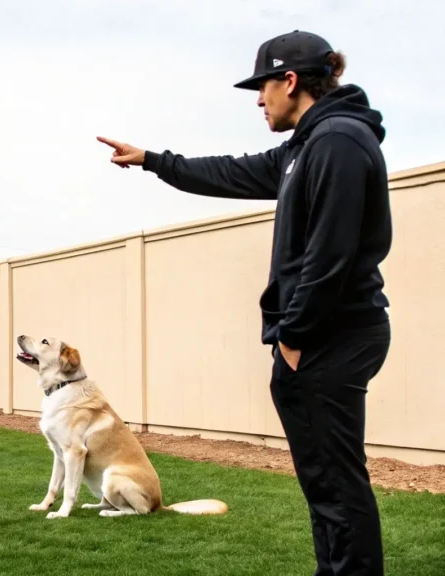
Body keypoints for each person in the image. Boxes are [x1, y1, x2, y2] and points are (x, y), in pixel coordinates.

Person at [98, 30, 392, 576]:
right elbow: (232, 172)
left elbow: (332, 253)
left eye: (263, 87)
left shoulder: (339, 143)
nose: (259, 100)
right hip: (321, 337)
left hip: (332, 336)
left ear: (291, 80)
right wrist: (154, 160)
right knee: (323, 482)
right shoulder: (305, 149)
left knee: (337, 482)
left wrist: (295, 337)